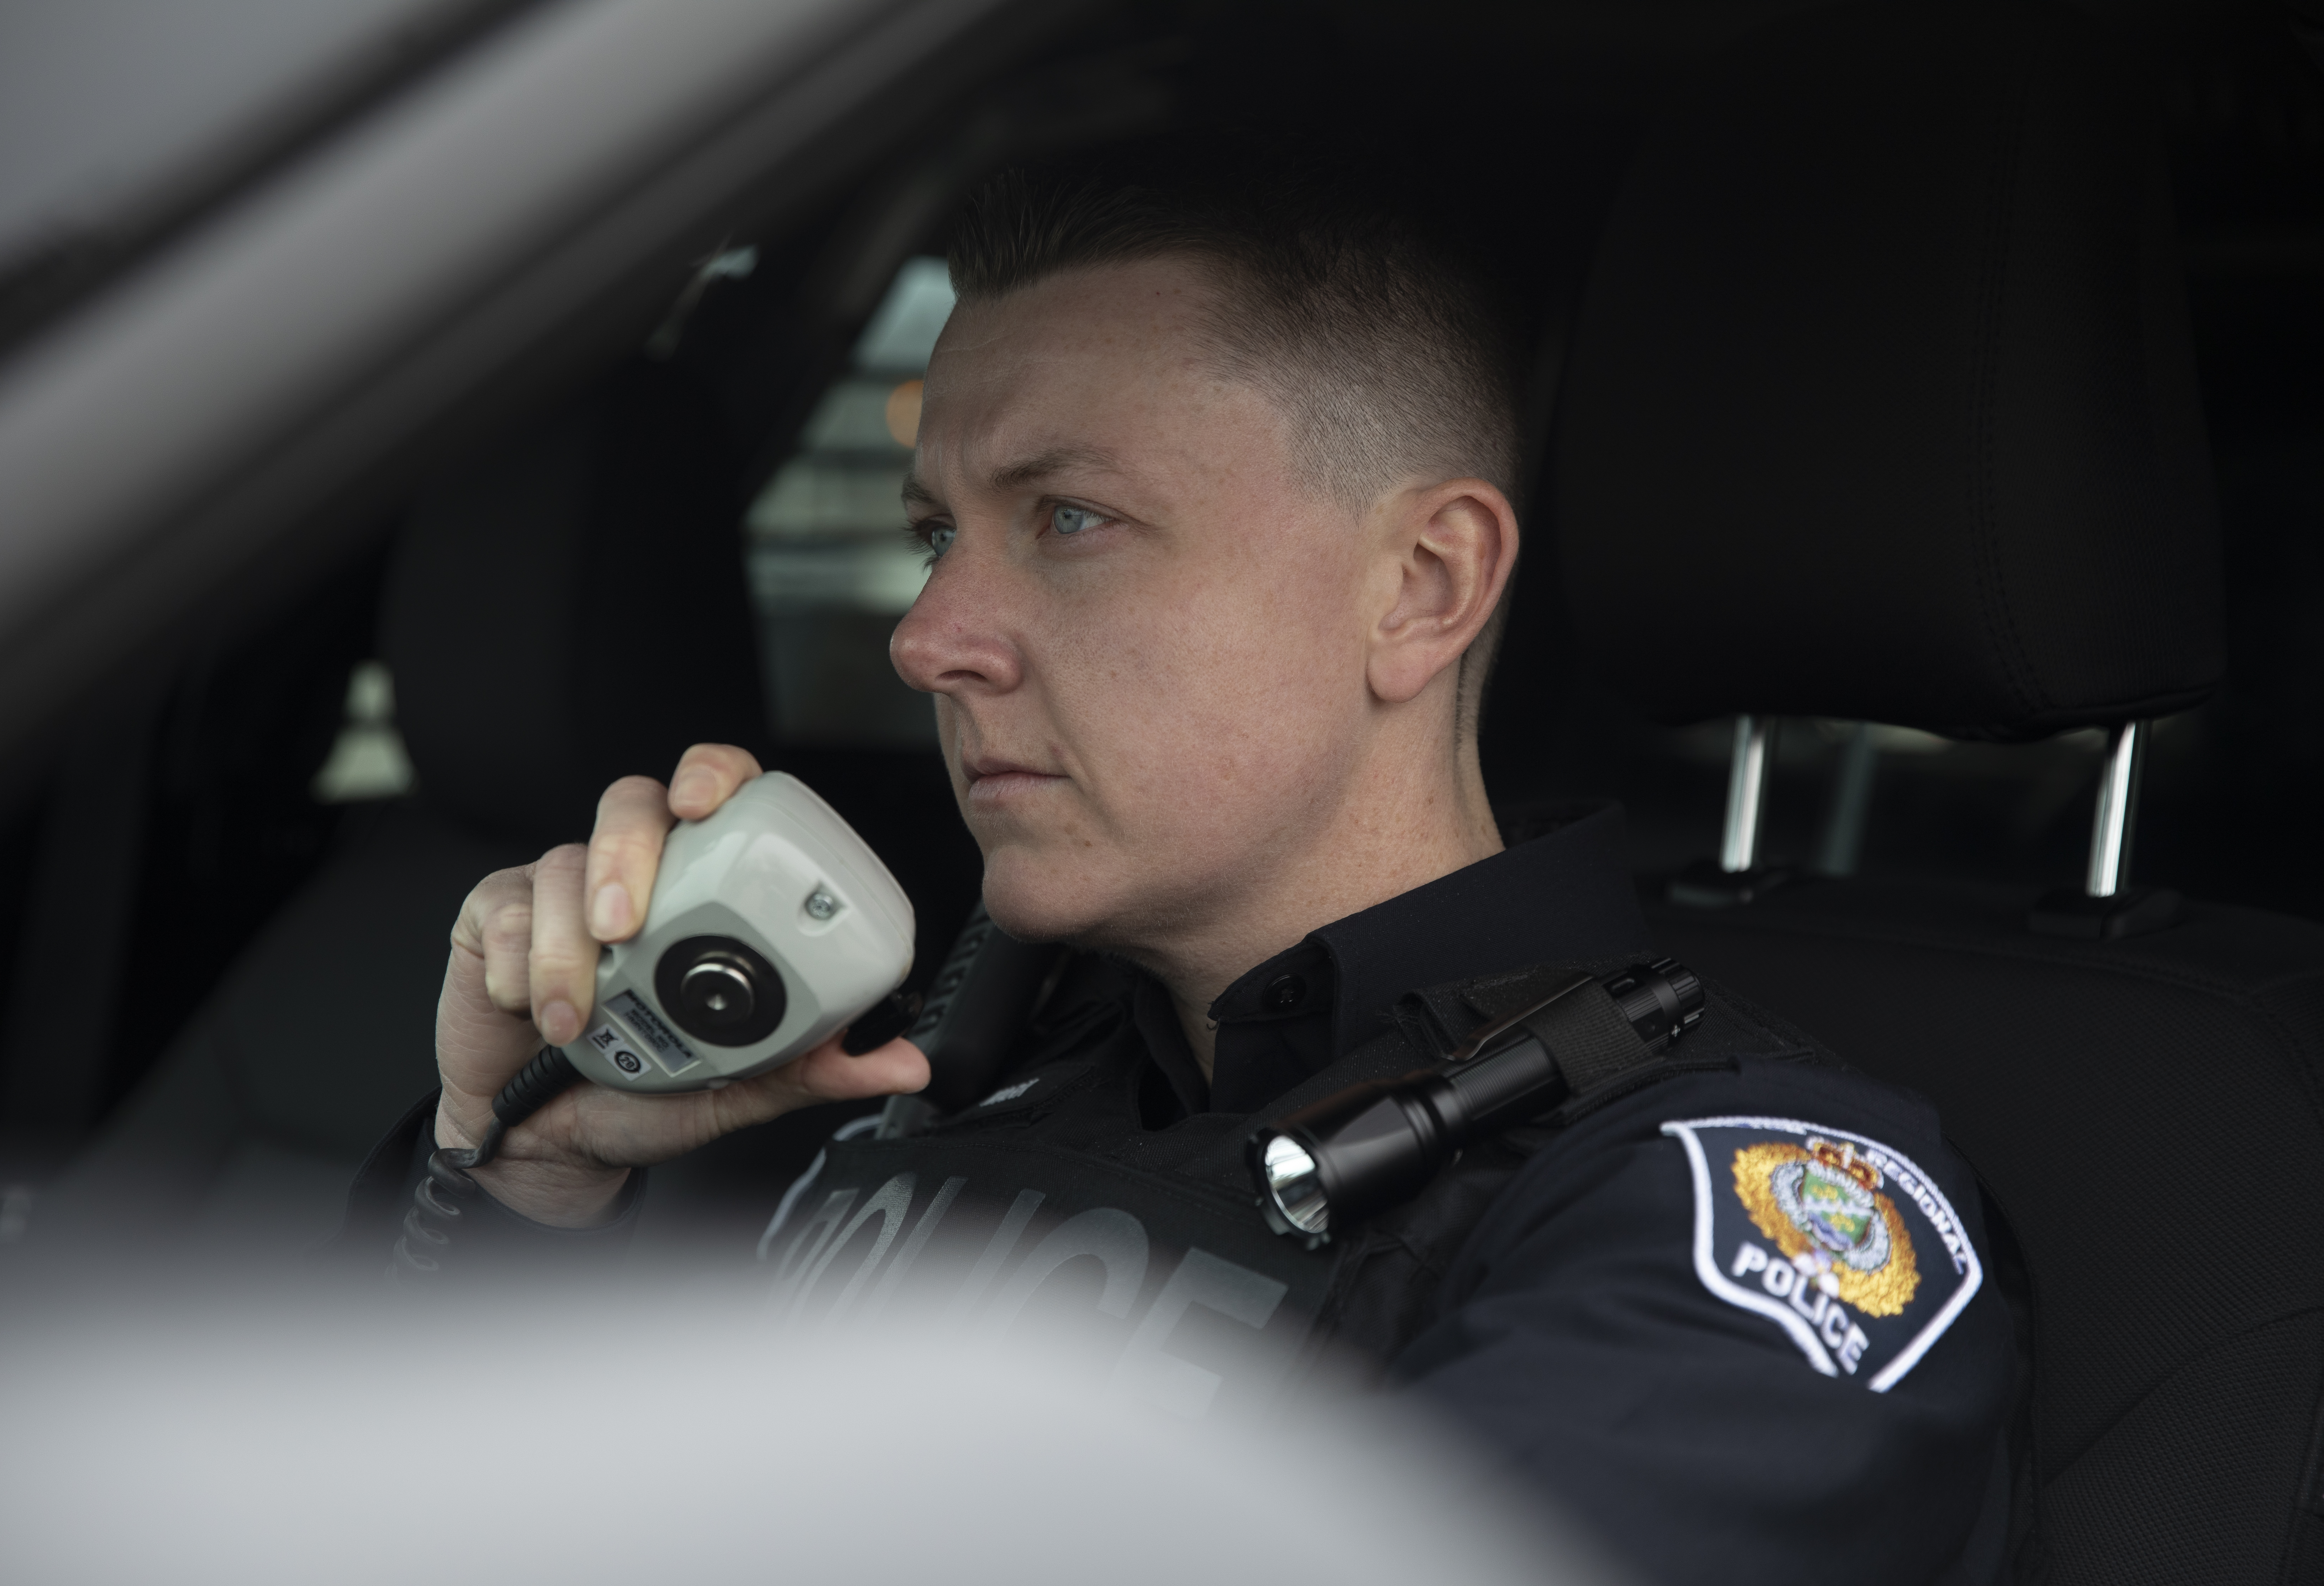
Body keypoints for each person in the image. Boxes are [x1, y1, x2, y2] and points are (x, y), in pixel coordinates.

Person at [343, 147, 2014, 1585]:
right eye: (936, 533)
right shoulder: (919, 1056)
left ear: (1424, 586)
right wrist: (531, 1176)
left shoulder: (1729, 1206)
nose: (928, 637)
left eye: (1069, 517)